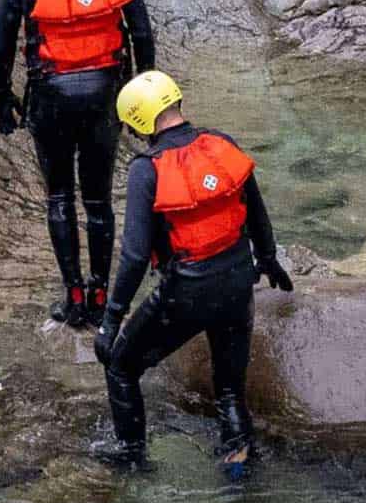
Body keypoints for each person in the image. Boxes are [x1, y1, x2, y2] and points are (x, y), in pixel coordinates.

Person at [92, 72, 292, 477]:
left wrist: (110, 321)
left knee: (121, 368)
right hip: (237, 278)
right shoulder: (221, 144)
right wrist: (267, 258)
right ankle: (238, 473)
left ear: (140, 121)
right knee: (231, 389)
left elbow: (133, 256)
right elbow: (254, 205)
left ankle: (132, 459)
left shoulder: (145, 170)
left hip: (187, 290)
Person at [0, 0, 158, 329]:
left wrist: (3, 95)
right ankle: (102, 293)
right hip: (105, 96)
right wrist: (143, 86)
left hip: (50, 98)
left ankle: (74, 296)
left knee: (60, 195)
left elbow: (3, 42)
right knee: (100, 200)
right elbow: (140, 31)